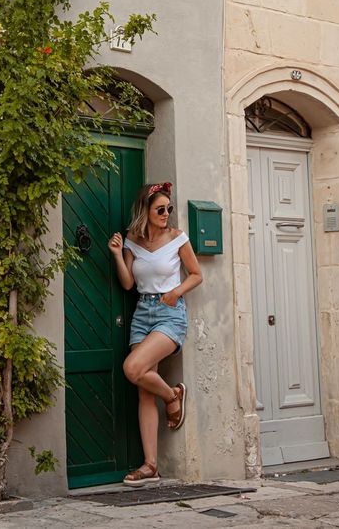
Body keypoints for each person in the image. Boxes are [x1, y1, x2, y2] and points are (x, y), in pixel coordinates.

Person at [108, 182, 203, 487]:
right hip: (141, 315)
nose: (166, 214)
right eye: (160, 209)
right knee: (143, 390)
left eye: (169, 209)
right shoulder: (133, 241)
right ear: (146, 211)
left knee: (132, 368)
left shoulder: (177, 239)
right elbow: (127, 283)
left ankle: (173, 396)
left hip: (169, 313)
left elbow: (197, 274)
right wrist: (116, 254)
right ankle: (151, 465)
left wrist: (176, 291)